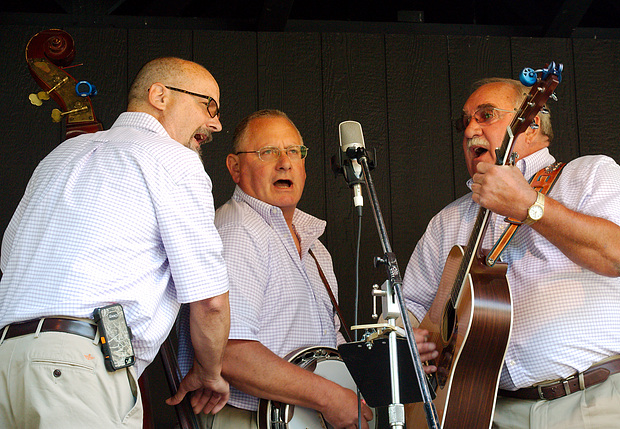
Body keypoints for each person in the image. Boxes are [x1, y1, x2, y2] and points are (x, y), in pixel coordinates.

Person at [0, 57, 231, 428]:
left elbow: (10, 259)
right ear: (159, 95)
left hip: (6, 363)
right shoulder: (176, 160)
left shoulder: (59, 156)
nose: (216, 122)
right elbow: (211, 302)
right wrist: (210, 371)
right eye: (209, 105)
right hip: (76, 369)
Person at [402, 77, 620, 428]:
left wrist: (531, 205)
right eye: (464, 121)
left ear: (531, 124)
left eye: (486, 115)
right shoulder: (447, 221)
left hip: (595, 398)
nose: (470, 130)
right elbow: (410, 307)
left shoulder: (589, 173)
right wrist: (411, 338)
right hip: (492, 412)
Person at [178, 109, 438, 429]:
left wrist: (391, 361)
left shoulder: (314, 247)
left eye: (293, 151)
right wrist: (331, 398)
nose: (284, 162)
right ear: (235, 167)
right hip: (246, 419)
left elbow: (329, 349)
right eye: (267, 152)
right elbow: (228, 353)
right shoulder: (238, 233)